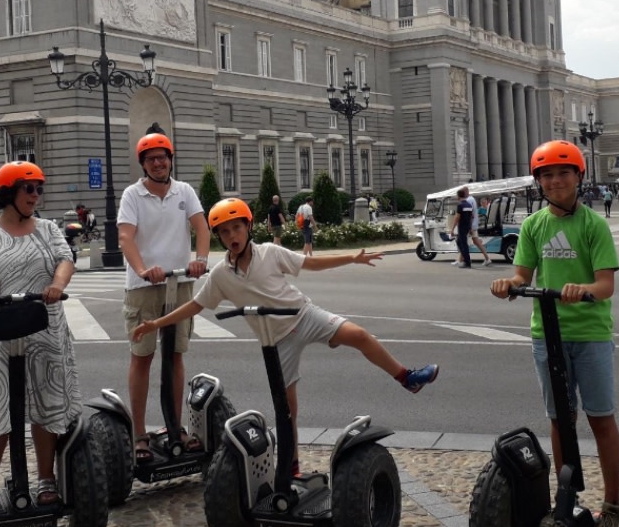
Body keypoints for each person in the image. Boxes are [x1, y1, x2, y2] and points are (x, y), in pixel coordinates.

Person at [131, 198, 439, 473]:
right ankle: (290, 467)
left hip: (304, 315)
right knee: (287, 410)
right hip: (276, 342)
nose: (231, 236)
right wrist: (156, 324)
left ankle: (406, 377)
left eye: (236, 228)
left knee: (358, 335)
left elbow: (310, 263)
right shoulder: (221, 276)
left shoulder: (270, 253)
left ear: (248, 227)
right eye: (224, 232)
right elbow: (194, 305)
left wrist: (351, 258)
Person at [489, 141, 619, 527]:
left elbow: (606, 285)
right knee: (560, 419)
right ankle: (566, 501)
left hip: (590, 334)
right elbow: (522, 276)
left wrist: (581, 289)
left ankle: (613, 506)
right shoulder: (533, 226)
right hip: (546, 334)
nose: (555, 181)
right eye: (546, 175)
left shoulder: (592, 225)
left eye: (563, 173)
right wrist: (507, 285)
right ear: (538, 183)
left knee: (600, 417)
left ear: (579, 177)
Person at [0, 160, 79, 513]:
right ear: (9, 192)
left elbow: (65, 258)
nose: (36, 195)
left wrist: (57, 284)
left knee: (47, 399)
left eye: (39, 189)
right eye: (29, 189)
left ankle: (46, 479)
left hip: (43, 326)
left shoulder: (48, 228)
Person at [118, 133, 211, 464]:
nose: (159, 163)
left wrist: (200, 259)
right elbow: (126, 237)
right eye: (151, 159)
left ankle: (176, 429)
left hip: (181, 283)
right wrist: (143, 269)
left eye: (163, 157)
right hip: (144, 287)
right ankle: (139, 433)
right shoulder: (133, 194)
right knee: (142, 356)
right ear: (143, 164)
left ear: (170, 159)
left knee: (175, 355)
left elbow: (202, 227)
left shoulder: (184, 191)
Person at [454, 186, 475, 269]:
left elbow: (457, 217)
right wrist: (470, 227)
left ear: (458, 196)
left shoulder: (460, 205)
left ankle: (467, 262)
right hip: (467, 226)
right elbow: (472, 216)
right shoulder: (469, 205)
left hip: (462, 226)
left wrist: (452, 228)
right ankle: (465, 259)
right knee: (459, 241)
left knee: (463, 244)